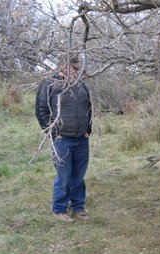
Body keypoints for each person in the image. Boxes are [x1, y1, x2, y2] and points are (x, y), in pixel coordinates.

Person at [35, 54, 92, 223]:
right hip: (62, 140)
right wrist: (54, 133)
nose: (75, 70)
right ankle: (59, 209)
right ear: (61, 65)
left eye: (76, 67)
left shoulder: (81, 85)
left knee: (79, 175)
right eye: (71, 66)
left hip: (82, 139)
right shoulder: (49, 84)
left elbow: (88, 107)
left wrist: (88, 129)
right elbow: (41, 111)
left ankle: (78, 207)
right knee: (64, 176)